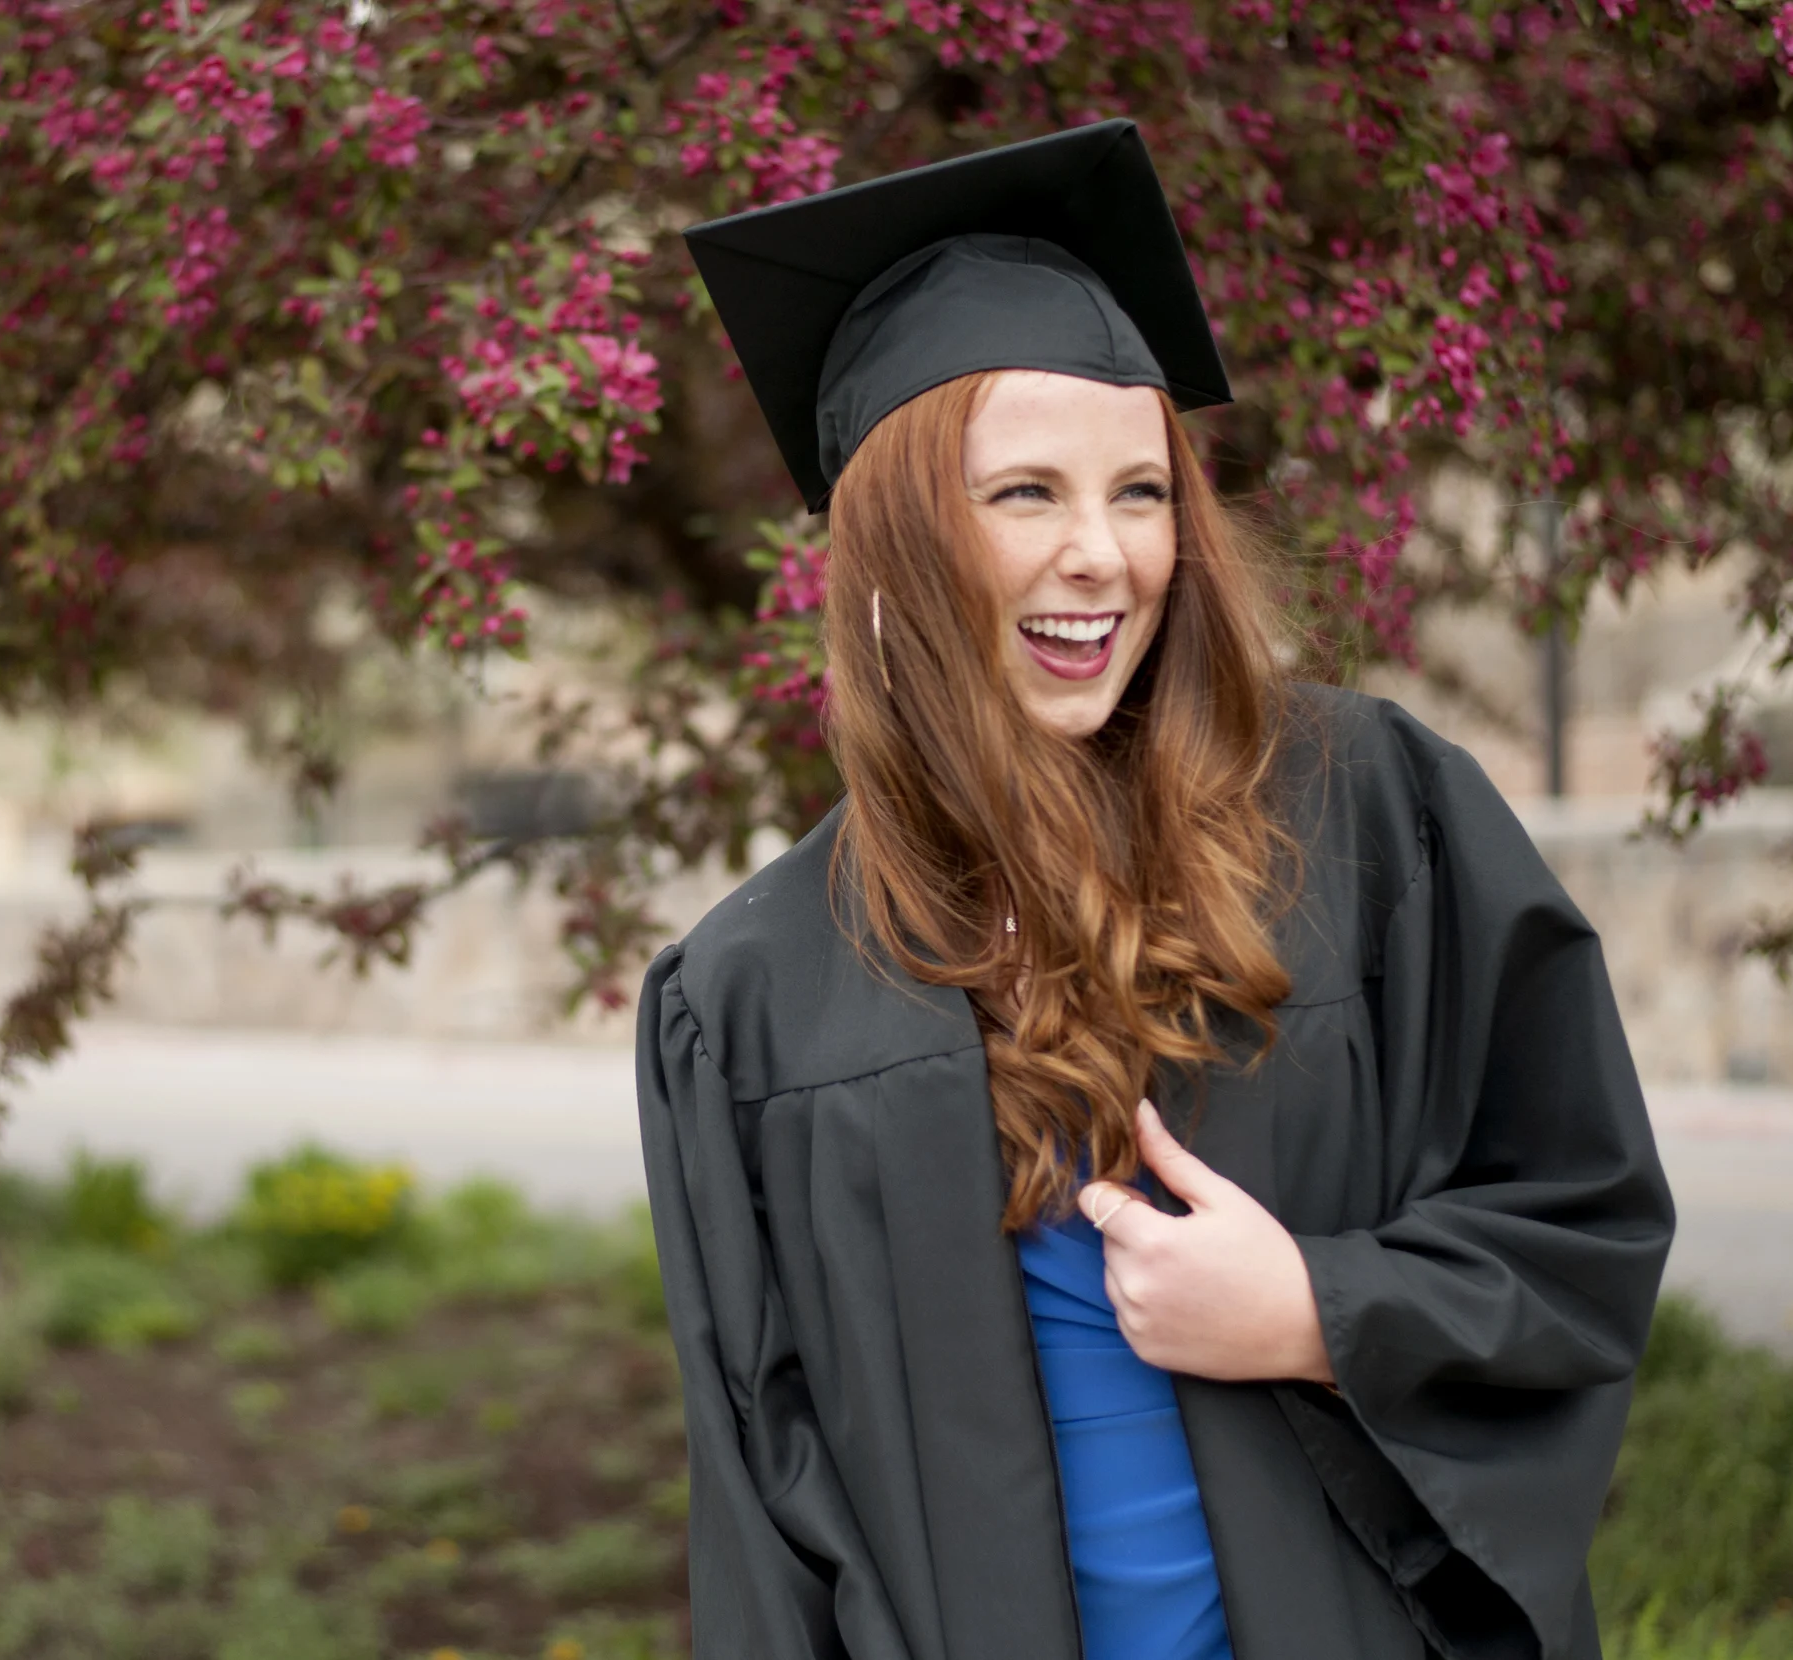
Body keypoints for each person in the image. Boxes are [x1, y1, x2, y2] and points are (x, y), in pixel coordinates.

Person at [635, 118, 1675, 1660]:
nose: (1102, 557)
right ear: (898, 546)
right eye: (1024, 496)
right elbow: (766, 1496)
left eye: (1141, 492)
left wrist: (1321, 1310)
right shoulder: (751, 993)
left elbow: (1580, 1227)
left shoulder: (1363, 813)